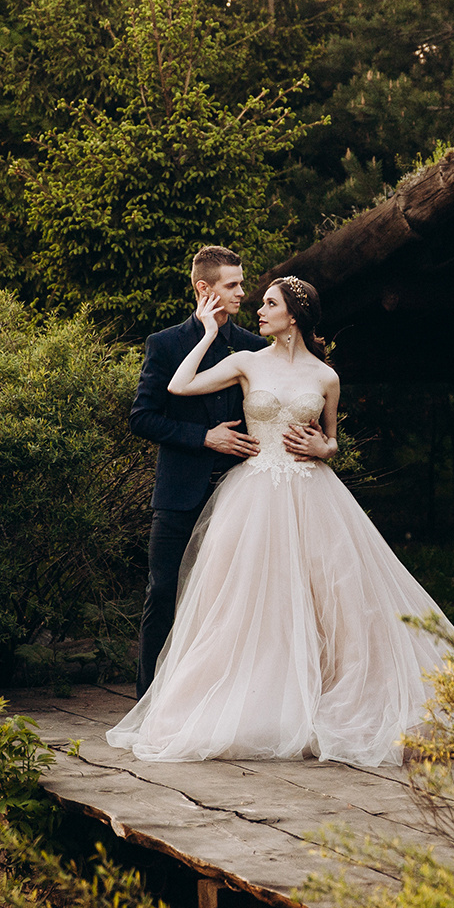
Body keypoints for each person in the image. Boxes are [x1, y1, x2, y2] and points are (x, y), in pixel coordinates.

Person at [107, 277, 454, 767]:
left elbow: (332, 441)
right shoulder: (247, 362)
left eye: (269, 303)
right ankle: (254, 704)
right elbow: (178, 386)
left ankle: (327, 698)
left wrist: (323, 448)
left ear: (293, 315)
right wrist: (207, 333)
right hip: (254, 496)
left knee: (334, 600)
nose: (259, 308)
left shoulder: (326, 377)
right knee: (244, 603)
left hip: (313, 495)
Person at [129, 246, 268, 696]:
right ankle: (148, 701)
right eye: (232, 285)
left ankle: (218, 700)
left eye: (242, 283)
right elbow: (142, 417)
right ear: (203, 289)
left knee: (233, 600)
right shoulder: (165, 344)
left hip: (241, 492)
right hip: (179, 494)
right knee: (163, 593)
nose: (242, 293)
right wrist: (203, 436)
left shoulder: (255, 347)